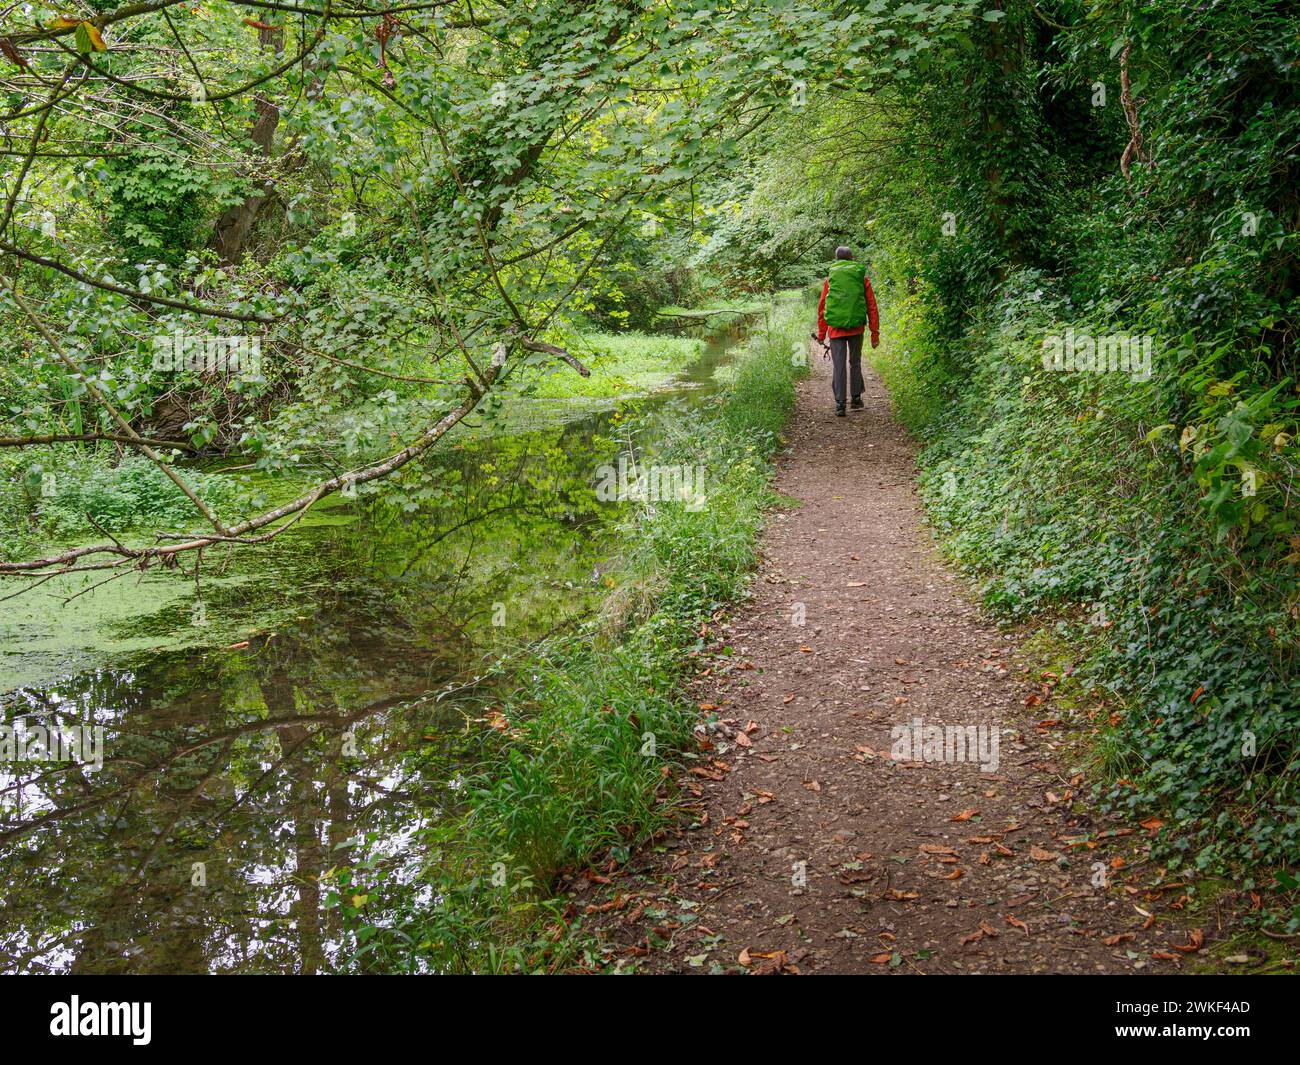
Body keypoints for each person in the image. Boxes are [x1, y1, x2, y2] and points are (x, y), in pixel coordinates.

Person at [814, 245, 880, 417]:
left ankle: (840, 404)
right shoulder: (861, 278)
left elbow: (822, 308)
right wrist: (875, 333)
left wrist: (822, 334)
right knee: (855, 362)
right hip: (856, 327)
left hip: (835, 329)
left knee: (839, 365)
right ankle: (856, 398)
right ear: (851, 259)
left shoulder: (830, 280)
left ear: (836, 260)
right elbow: (872, 306)